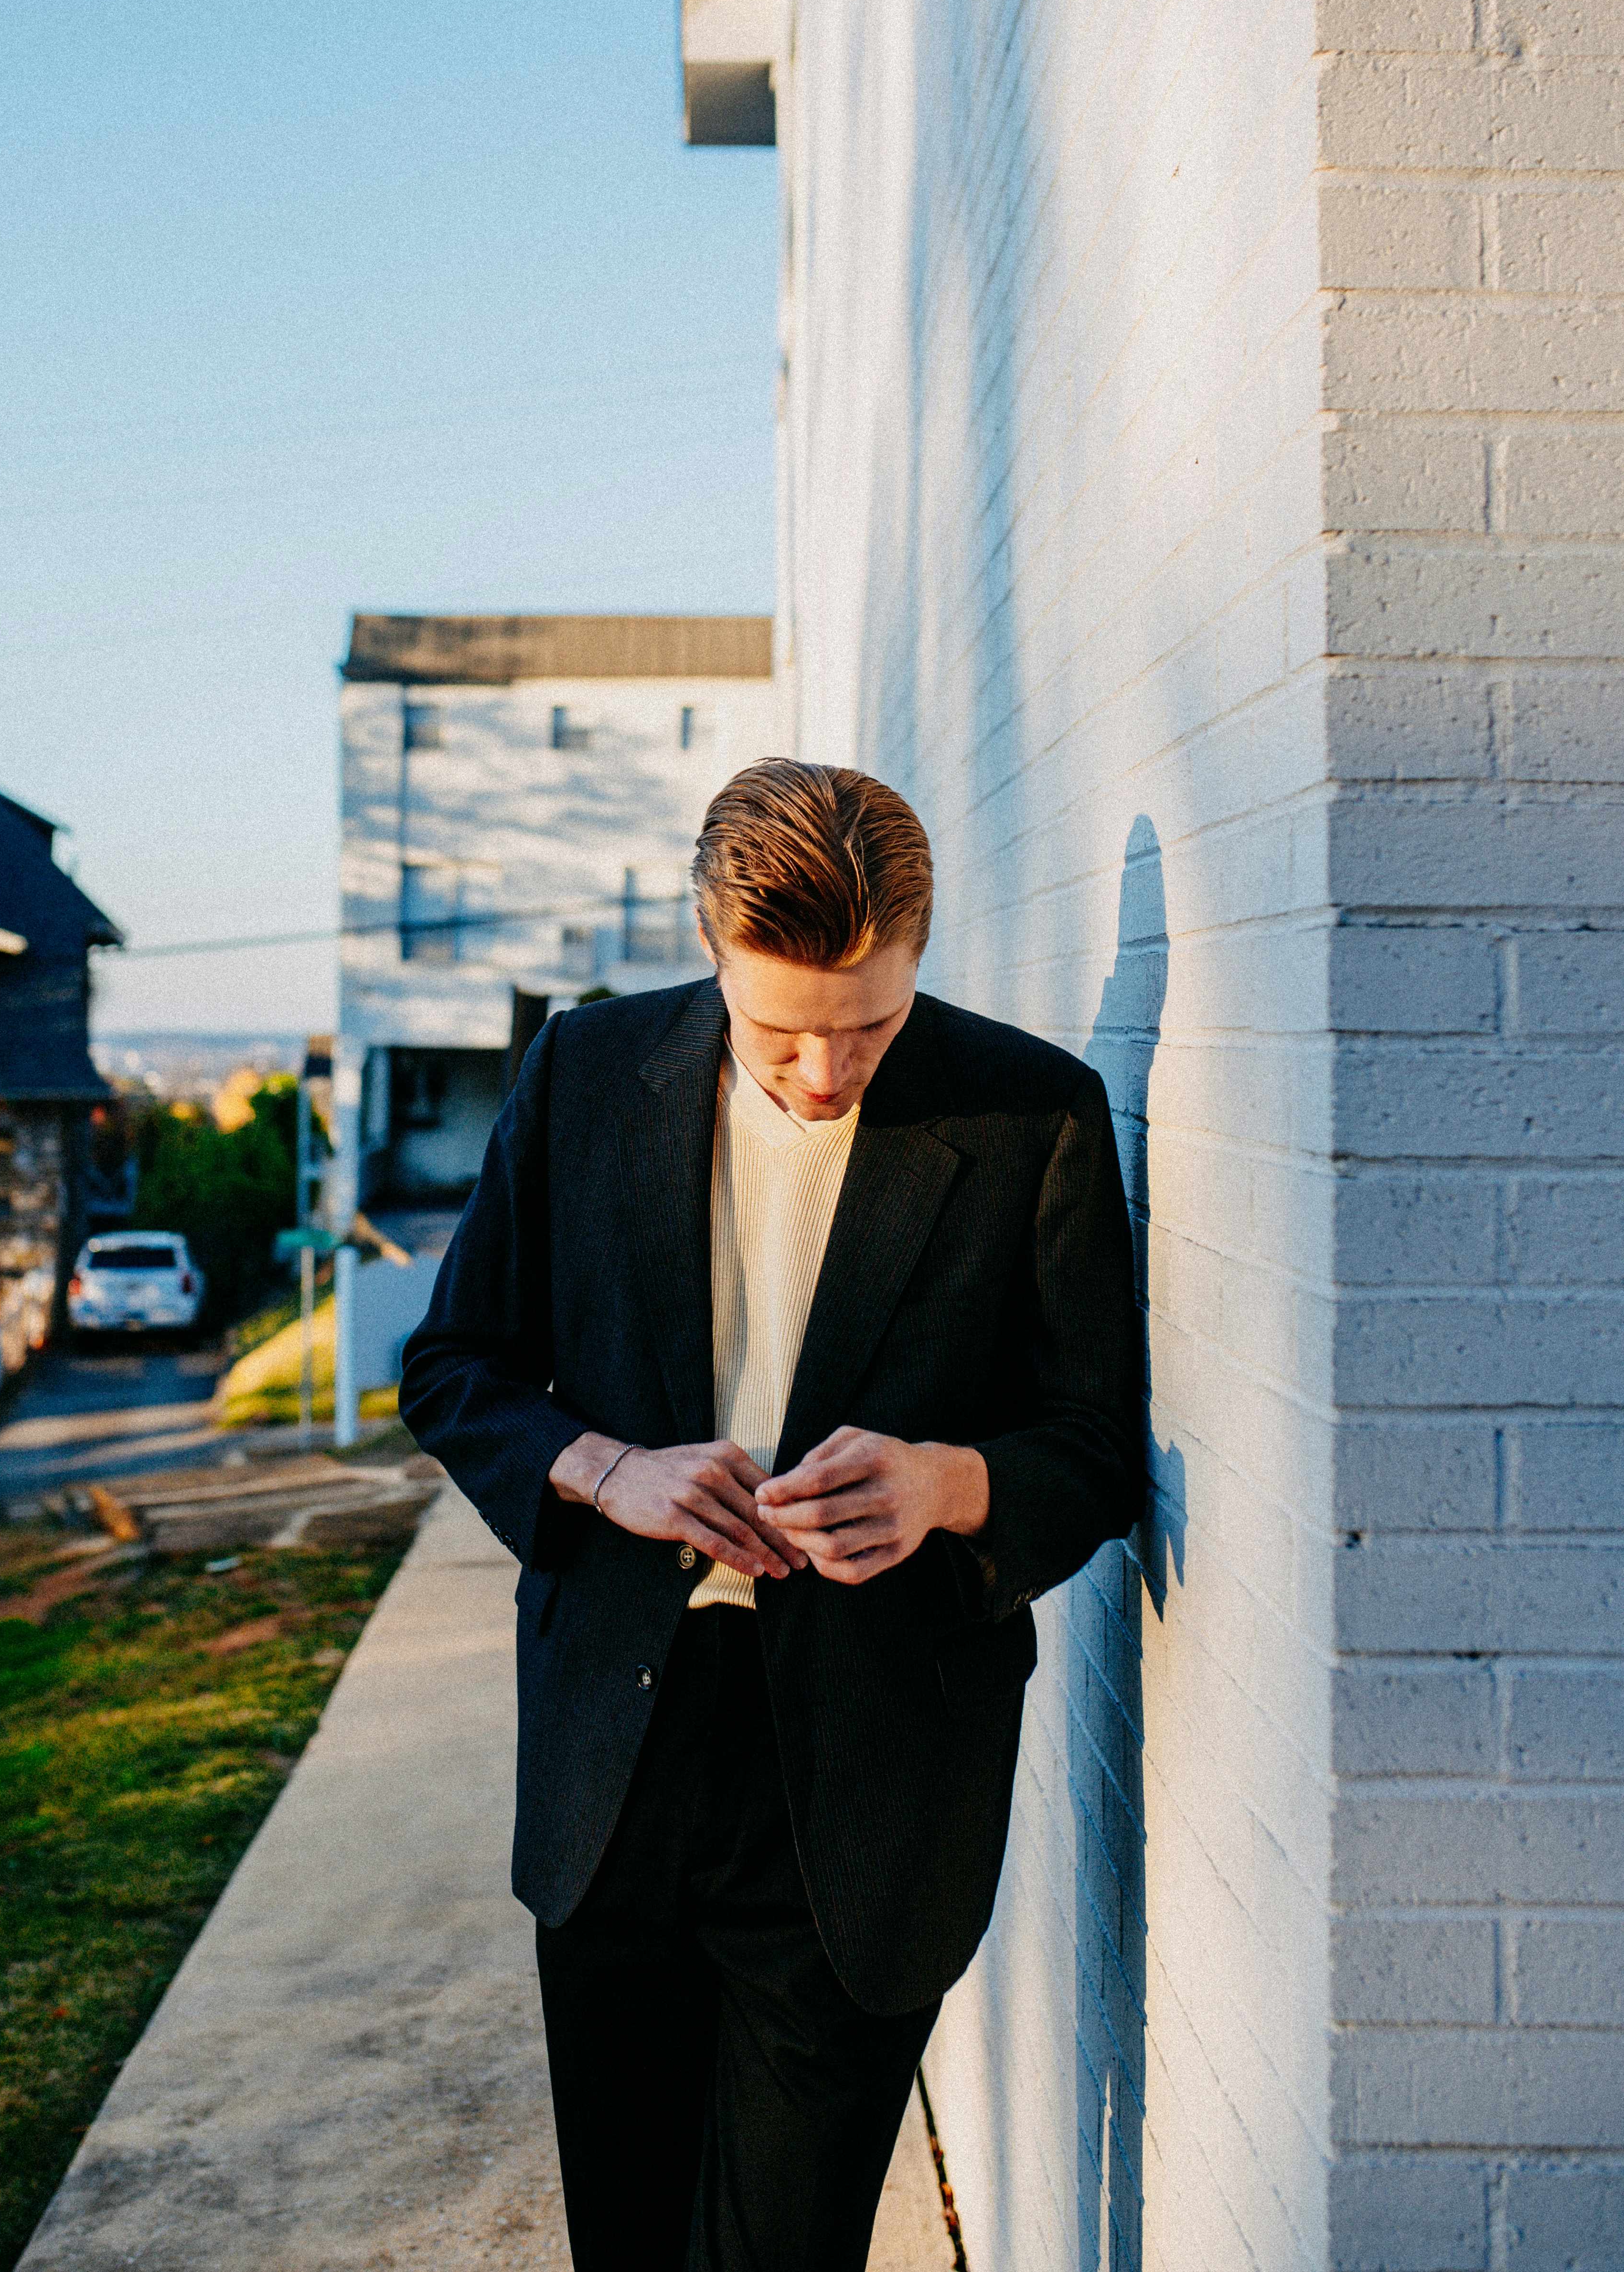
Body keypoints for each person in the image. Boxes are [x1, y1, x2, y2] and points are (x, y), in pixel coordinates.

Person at [398, 759, 1145, 2272]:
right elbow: (453, 1368)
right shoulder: (585, 1075)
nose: (823, 1072)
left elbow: (1096, 1446)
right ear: (709, 943)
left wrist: (952, 1484)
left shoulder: (1032, 1112)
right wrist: (608, 1468)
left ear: (922, 950)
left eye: (869, 1024)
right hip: (619, 1753)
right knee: (631, 2237)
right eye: (781, 1029)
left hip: (872, 1779)